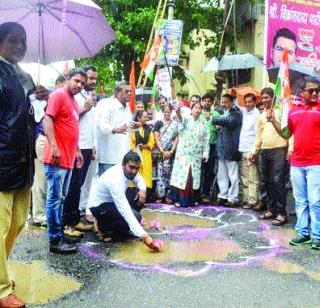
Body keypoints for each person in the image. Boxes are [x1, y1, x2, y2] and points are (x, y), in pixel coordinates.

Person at [0, 22, 35, 308]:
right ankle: (1, 289)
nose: (20, 46)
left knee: (18, 222)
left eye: (23, 41)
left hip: (23, 164)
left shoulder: (22, 77)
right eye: (13, 40)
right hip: (2, 163)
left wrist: (35, 97)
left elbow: (23, 122)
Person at [268, 77, 320, 248]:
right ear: (301, 92)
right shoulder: (293, 112)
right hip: (297, 163)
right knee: (300, 200)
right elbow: (286, 134)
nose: (315, 93)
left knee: (315, 200)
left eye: (317, 90)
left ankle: (317, 236)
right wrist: (273, 120)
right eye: (311, 90)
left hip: (316, 163)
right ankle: (303, 233)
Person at [43, 68, 86, 254]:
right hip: (56, 159)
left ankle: (59, 234)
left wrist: (77, 150)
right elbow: (47, 119)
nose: (79, 85)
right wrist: (53, 146)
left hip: (68, 159)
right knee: (54, 200)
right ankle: (55, 240)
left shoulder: (75, 102)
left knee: (61, 199)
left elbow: (73, 127)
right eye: (76, 81)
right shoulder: (58, 95)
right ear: (68, 78)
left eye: (82, 83)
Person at [88, 151, 161, 251]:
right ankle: (102, 226)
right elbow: (125, 210)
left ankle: (118, 226)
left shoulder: (129, 172)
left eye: (137, 168)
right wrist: (144, 236)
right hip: (99, 206)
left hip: (111, 202)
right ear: (123, 165)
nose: (134, 171)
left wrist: (142, 190)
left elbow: (139, 179)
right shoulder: (115, 180)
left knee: (137, 195)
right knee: (135, 217)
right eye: (131, 167)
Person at [63, 65, 98, 239]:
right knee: (73, 185)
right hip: (75, 146)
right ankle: (68, 222)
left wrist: (92, 146)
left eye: (93, 79)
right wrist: (86, 108)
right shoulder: (73, 96)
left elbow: (90, 125)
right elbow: (72, 118)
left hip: (86, 146)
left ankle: (75, 219)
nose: (92, 82)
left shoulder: (87, 96)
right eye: (89, 78)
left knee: (79, 185)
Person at [250, 88, 288, 226]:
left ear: (273, 98)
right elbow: (258, 135)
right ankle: (271, 209)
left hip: (279, 149)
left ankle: (281, 213)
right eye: (263, 97)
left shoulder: (281, 111)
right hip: (264, 151)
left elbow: (288, 131)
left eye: (267, 97)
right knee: (267, 181)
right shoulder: (261, 116)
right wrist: (254, 151)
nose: (265, 100)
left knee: (278, 182)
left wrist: (290, 148)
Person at [170, 101, 209, 207]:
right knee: (184, 178)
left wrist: (205, 153)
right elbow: (180, 118)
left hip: (196, 156)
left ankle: (192, 200)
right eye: (195, 107)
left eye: (199, 108)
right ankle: (180, 200)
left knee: (193, 179)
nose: (198, 110)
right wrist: (177, 111)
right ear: (191, 109)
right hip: (184, 155)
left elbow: (206, 139)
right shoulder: (186, 119)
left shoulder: (203, 124)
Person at [95, 81, 138, 176]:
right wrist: (115, 129)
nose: (130, 94)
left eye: (131, 91)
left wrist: (135, 126)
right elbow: (102, 126)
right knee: (106, 187)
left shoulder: (127, 109)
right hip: (108, 157)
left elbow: (126, 129)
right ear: (117, 92)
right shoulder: (105, 104)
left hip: (123, 157)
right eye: (126, 91)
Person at [212, 94, 242, 206]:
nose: (223, 104)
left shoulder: (236, 113)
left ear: (231, 102)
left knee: (233, 175)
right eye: (222, 102)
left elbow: (229, 122)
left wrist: (214, 119)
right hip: (221, 149)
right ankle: (223, 195)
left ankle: (233, 197)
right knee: (222, 175)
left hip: (231, 148)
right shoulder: (224, 113)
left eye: (226, 102)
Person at [238, 93, 260, 209]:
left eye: (249, 102)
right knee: (244, 177)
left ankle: (252, 201)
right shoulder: (245, 111)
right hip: (243, 148)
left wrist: (254, 152)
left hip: (251, 150)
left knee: (253, 178)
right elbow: (236, 106)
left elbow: (258, 134)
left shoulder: (256, 114)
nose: (247, 104)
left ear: (254, 102)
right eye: (245, 102)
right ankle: (246, 200)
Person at [31, 86, 49, 227]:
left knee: (49, 179)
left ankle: (45, 213)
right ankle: (39, 215)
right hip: (42, 140)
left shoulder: (50, 99)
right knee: (40, 179)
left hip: (53, 141)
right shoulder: (34, 102)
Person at [154, 104, 179, 203]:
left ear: (171, 112)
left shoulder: (175, 124)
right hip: (161, 152)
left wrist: (171, 151)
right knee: (160, 173)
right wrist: (162, 151)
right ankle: (160, 195)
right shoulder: (158, 123)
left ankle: (169, 195)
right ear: (162, 112)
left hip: (171, 153)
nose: (167, 113)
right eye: (165, 111)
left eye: (169, 111)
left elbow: (177, 137)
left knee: (170, 174)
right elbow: (156, 138)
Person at [200, 92, 220, 203]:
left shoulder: (216, 113)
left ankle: (206, 194)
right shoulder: (198, 112)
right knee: (199, 170)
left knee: (209, 171)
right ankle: (196, 192)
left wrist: (211, 117)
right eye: (205, 101)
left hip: (212, 146)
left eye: (209, 101)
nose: (207, 103)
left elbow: (218, 127)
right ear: (202, 102)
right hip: (200, 147)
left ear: (212, 103)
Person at [130, 110, 155, 197]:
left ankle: (144, 196)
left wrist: (145, 146)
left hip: (146, 155)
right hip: (136, 155)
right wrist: (136, 148)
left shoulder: (149, 129)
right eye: (144, 116)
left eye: (146, 116)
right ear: (139, 118)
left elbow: (152, 142)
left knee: (146, 176)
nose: (146, 118)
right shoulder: (134, 129)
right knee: (136, 173)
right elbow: (131, 142)